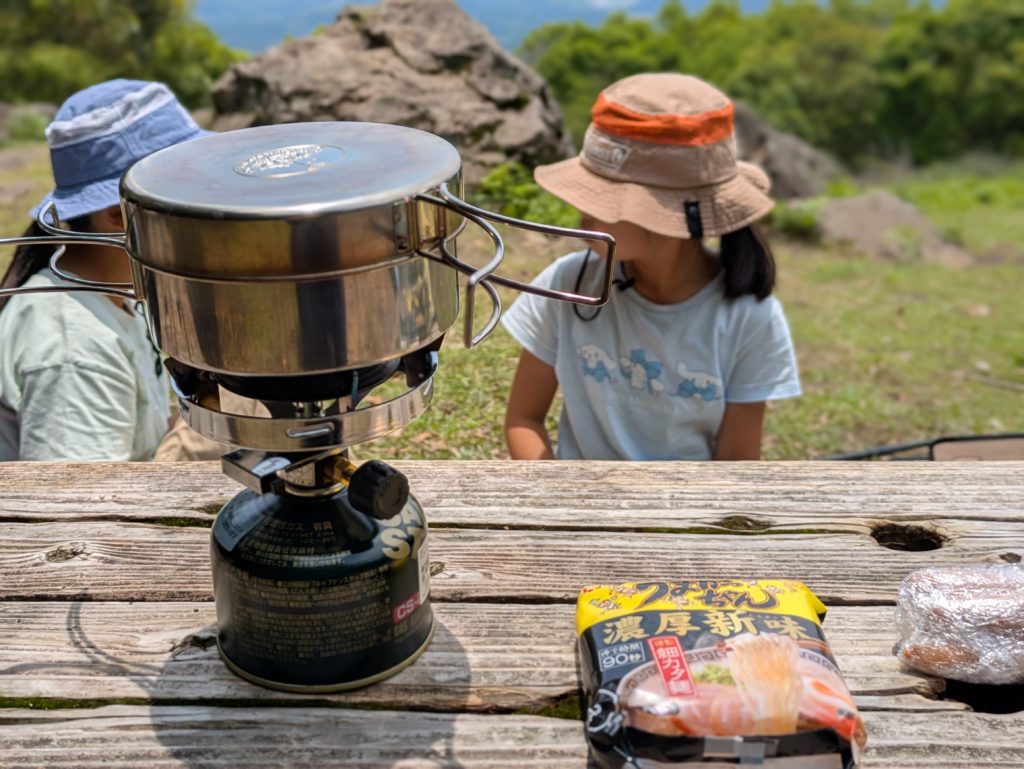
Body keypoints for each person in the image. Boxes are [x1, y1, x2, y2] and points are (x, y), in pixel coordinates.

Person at [501, 73, 801, 461]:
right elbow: (523, 419)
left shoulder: (748, 319)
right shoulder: (568, 283)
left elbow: (737, 470)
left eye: (602, 198)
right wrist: (561, 503)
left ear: (668, 217)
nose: (581, 211)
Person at [0, 79, 212, 461]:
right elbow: (71, 510)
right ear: (119, 214)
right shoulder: (74, 345)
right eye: (188, 187)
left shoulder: (115, 287)